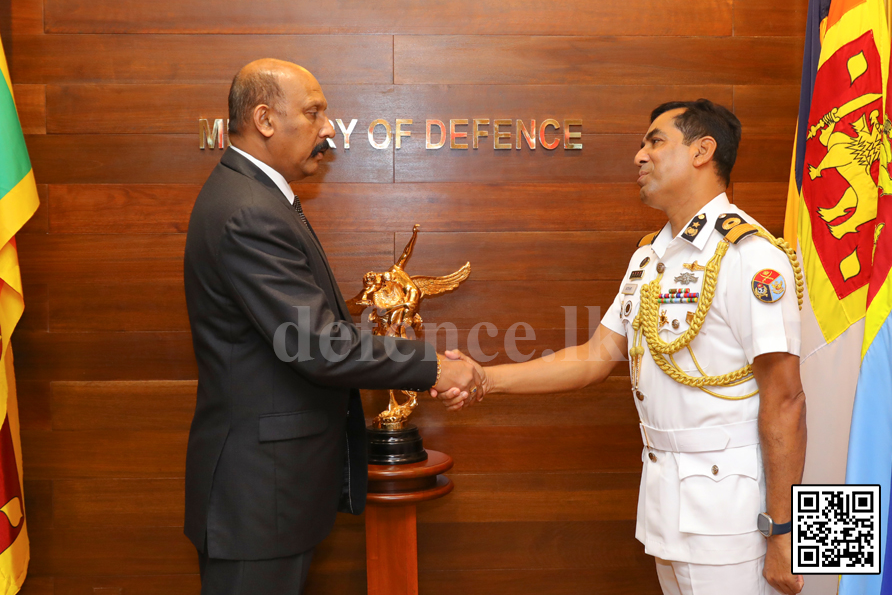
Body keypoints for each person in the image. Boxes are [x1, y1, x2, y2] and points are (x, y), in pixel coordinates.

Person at [435, 100, 806, 595]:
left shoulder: (751, 257)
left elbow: (787, 400)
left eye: (655, 141)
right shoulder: (650, 257)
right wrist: (485, 377)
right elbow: (594, 357)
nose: (639, 155)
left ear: (703, 151)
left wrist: (786, 534)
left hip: (735, 516)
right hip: (666, 506)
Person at [182, 58, 478, 595]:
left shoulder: (256, 197)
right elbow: (319, 346)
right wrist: (434, 365)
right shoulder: (250, 211)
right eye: (314, 112)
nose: (327, 128)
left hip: (270, 493)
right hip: (257, 496)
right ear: (266, 119)